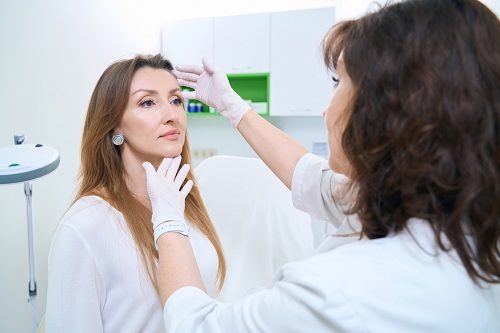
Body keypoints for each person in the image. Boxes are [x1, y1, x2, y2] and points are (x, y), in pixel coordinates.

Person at [143, 0, 500, 332]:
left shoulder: (341, 289)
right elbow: (311, 179)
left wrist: (169, 221)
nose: (326, 109)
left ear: (386, 111)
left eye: (339, 81)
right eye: (147, 103)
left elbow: (196, 326)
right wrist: (232, 105)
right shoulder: (460, 224)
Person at [46, 54, 226, 332]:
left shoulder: (182, 202)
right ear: (115, 125)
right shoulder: (84, 227)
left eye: (176, 100)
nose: (171, 115)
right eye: (148, 102)